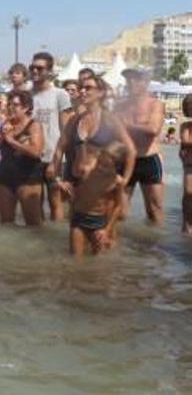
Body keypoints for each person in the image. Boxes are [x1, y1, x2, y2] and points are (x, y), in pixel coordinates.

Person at [53, 76, 136, 246]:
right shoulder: (75, 120)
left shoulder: (110, 119)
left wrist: (124, 180)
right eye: (81, 87)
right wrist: (58, 179)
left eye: (88, 88)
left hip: (104, 194)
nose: (83, 90)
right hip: (80, 191)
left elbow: (131, 150)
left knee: (104, 249)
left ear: (101, 93)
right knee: (75, 257)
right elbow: (60, 148)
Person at [116, 68, 165, 225]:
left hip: (149, 159)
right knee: (119, 211)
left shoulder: (155, 104)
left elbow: (153, 129)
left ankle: (155, 247)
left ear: (146, 82)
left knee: (154, 209)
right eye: (128, 79)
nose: (131, 83)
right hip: (126, 160)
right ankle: (119, 246)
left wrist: (127, 125)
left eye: (136, 79)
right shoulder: (121, 105)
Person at [30, 52, 72, 222]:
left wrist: (56, 160)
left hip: (54, 157)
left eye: (39, 68)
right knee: (34, 201)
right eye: (32, 67)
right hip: (32, 156)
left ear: (49, 70)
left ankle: (55, 239)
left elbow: (66, 130)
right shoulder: (28, 94)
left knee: (55, 201)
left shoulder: (60, 95)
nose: (34, 71)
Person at [0, 90, 45, 226]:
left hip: (28, 179)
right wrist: (1, 138)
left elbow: (36, 152)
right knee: (6, 224)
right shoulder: (6, 124)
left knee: (33, 225)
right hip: (6, 177)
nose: (11, 108)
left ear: (26, 107)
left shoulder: (34, 125)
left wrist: (12, 141)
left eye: (15, 105)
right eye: (9, 104)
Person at [68, 142, 127, 257]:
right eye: (99, 162)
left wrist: (107, 230)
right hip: (79, 219)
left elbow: (118, 206)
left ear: (117, 167)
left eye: (105, 166)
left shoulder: (116, 181)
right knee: (75, 260)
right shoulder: (88, 170)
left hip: (98, 223)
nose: (100, 167)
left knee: (99, 264)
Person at [180, 95, 192, 235]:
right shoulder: (185, 126)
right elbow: (185, 142)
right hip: (189, 165)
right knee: (188, 194)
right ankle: (186, 226)